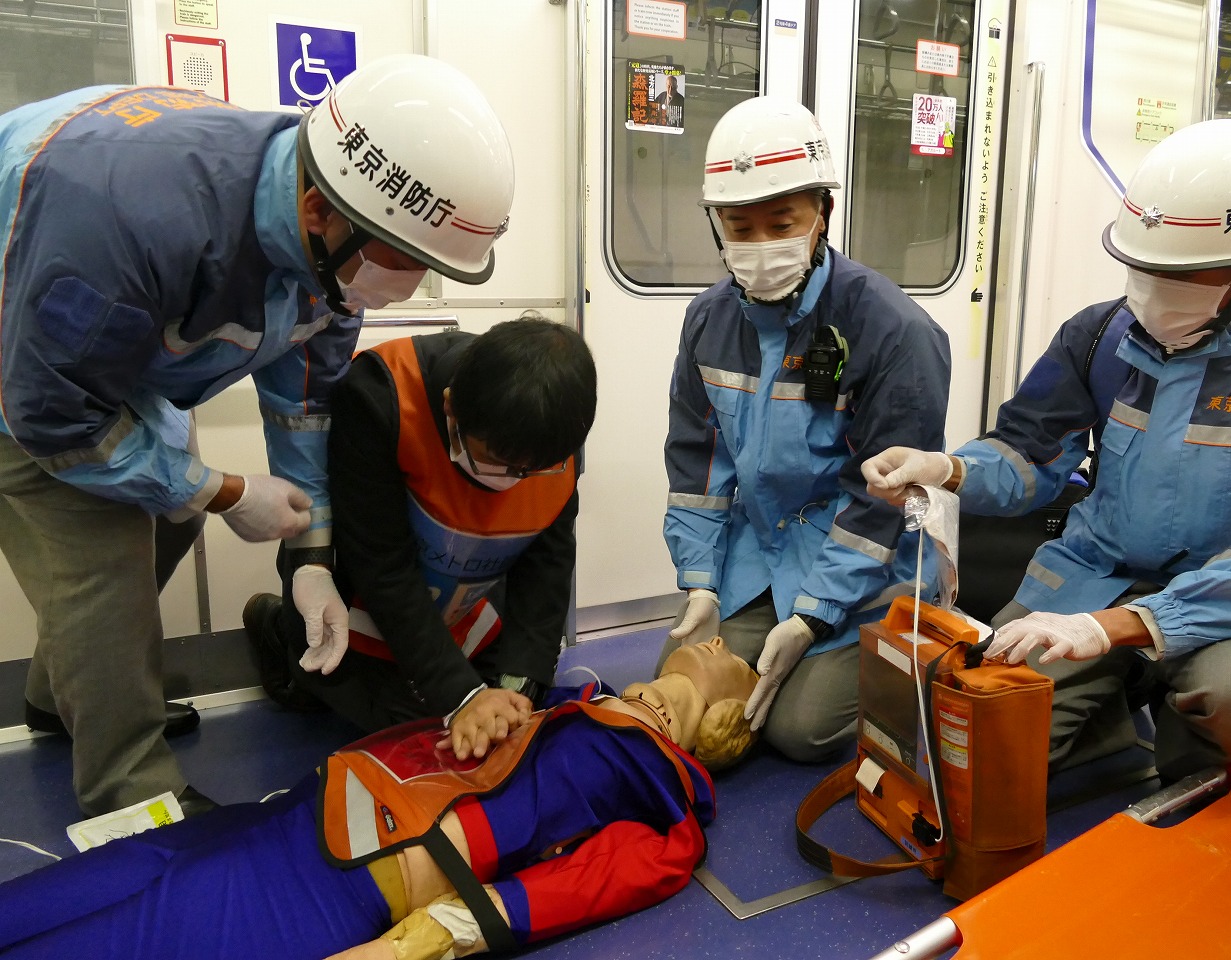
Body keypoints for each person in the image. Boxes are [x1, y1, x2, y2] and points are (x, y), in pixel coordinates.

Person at [0, 55, 516, 819]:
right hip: (26, 367)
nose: (406, 286)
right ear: (316, 210)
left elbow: (306, 402)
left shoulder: (339, 233)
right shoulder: (131, 215)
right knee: (103, 553)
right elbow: (55, 415)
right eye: (403, 261)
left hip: (110, 353)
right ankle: (130, 795)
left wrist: (308, 560)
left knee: (168, 518)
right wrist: (224, 491)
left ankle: (62, 698)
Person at [861, 118, 1231, 790]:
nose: (1152, 288)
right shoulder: (1098, 336)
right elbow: (1029, 452)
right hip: (1092, 576)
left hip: (1224, 607)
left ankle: (1193, 761)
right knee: (972, 732)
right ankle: (1106, 718)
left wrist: (1120, 626)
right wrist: (949, 468)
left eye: (1182, 273)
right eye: (1142, 267)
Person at [0, 638, 759, 960]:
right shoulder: (575, 693)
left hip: (341, 881)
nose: (722, 645)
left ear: (729, 725)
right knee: (48, 898)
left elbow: (564, 892)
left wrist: (405, 949)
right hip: (296, 811)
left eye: (739, 662)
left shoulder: (670, 809)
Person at [659, 96, 951, 763]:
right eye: (740, 225)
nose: (760, 246)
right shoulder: (708, 321)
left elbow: (884, 505)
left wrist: (814, 613)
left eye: (780, 222)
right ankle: (764, 628)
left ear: (822, 211)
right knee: (683, 682)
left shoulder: (895, 332)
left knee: (799, 729)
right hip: (761, 552)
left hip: (870, 571)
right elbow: (698, 465)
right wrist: (701, 578)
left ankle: (917, 657)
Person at [243, 315, 597, 760]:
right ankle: (279, 633)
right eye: (496, 462)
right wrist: (459, 697)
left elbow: (549, 565)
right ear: (450, 406)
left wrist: (518, 686)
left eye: (528, 471)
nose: (512, 480)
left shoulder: (552, 437)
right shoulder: (380, 393)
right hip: (368, 595)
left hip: (468, 603)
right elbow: (381, 565)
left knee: (501, 722)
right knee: (418, 731)